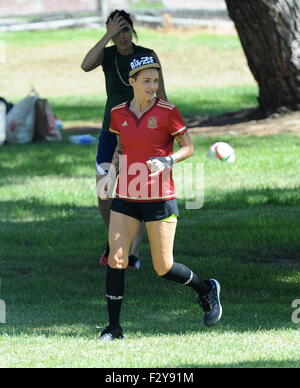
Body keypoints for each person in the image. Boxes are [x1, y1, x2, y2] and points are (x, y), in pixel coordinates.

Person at [99, 53, 222, 341]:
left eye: (156, 80)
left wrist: (167, 161)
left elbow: (188, 147)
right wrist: (110, 175)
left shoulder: (168, 112)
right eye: (146, 81)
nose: (153, 86)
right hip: (126, 196)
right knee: (117, 259)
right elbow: (120, 148)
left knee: (163, 267)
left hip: (160, 198)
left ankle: (206, 289)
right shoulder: (118, 113)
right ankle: (114, 328)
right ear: (132, 82)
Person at [81, 10, 168, 268]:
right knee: (104, 192)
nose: (121, 36)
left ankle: (131, 254)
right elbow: (85, 65)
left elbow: (160, 94)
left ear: (133, 30)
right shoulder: (106, 56)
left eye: (125, 30)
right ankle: (117, 238)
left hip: (141, 132)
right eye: (116, 31)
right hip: (111, 130)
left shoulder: (146, 55)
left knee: (135, 194)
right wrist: (107, 34)